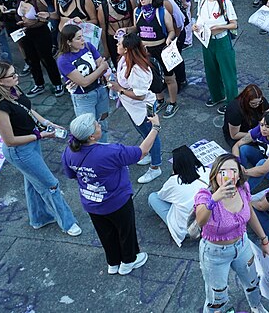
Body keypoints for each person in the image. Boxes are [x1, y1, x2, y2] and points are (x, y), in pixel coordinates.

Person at [0, 61, 81, 236]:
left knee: (32, 182)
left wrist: (46, 123)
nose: (17, 77)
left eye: (15, 73)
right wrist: (40, 135)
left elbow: (28, 109)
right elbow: (10, 140)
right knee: (50, 184)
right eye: (12, 75)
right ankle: (68, 223)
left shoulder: (13, 89)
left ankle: (39, 218)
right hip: (20, 151)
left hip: (30, 145)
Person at [62, 113, 157, 274]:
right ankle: (129, 260)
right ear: (92, 136)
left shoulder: (69, 152)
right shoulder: (110, 151)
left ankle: (113, 263)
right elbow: (142, 152)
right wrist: (155, 127)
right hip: (116, 201)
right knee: (126, 231)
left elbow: (71, 175)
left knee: (106, 233)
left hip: (91, 203)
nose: (99, 125)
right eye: (96, 125)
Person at [193, 154, 269, 313]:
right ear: (215, 174)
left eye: (233, 171)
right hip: (214, 254)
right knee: (217, 296)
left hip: (242, 245)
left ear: (238, 174)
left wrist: (264, 239)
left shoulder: (243, 189)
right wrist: (215, 199)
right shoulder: (205, 195)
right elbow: (200, 220)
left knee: (252, 282)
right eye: (223, 171)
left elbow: (250, 213)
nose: (228, 175)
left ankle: (257, 307)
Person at [108, 33, 163, 184]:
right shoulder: (125, 60)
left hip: (144, 108)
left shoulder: (138, 69)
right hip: (133, 108)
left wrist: (119, 89)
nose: (117, 46)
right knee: (144, 133)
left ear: (126, 49)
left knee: (152, 134)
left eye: (119, 44)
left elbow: (140, 95)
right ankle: (151, 154)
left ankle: (155, 166)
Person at [56, 24, 110, 142]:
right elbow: (84, 82)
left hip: (100, 90)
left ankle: (104, 149)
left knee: (103, 124)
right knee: (88, 130)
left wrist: (100, 69)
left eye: (82, 36)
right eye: (79, 38)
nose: (83, 40)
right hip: (83, 97)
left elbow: (104, 65)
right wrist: (100, 69)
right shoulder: (63, 60)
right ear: (69, 42)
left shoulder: (88, 46)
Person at [148, 145, 210, 247]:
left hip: (187, 229)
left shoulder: (175, 181)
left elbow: (162, 196)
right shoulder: (206, 171)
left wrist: (173, 176)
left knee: (153, 197)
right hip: (207, 223)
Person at [194, 0, 239, 115]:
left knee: (227, 72)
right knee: (211, 71)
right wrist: (196, 26)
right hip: (206, 41)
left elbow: (234, 24)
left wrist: (220, 27)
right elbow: (200, 20)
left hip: (222, 41)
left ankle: (232, 102)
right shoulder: (201, 2)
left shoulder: (225, 3)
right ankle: (217, 96)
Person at [14, 0, 65, 97]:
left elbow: (44, 19)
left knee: (46, 59)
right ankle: (39, 84)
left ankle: (57, 83)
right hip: (26, 33)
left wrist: (31, 23)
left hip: (41, 33)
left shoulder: (38, 1)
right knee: (32, 59)